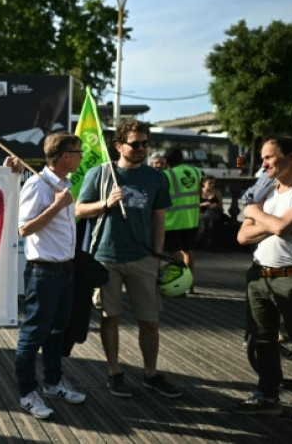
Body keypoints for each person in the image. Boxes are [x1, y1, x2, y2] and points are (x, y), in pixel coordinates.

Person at [75, 119, 181, 399]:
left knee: (150, 320)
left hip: (144, 258)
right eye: (135, 144)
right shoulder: (99, 174)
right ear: (119, 145)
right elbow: (79, 210)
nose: (142, 149)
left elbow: (159, 220)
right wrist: (105, 203)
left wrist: (157, 256)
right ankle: (114, 372)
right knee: (110, 318)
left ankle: (151, 373)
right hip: (105, 258)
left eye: (146, 144)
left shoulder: (156, 178)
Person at [233, 135, 292, 440]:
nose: (264, 164)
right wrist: (272, 222)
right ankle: (267, 396)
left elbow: (281, 228)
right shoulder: (268, 190)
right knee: (262, 339)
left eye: (270, 157)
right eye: (263, 157)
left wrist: (255, 213)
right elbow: (242, 237)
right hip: (260, 275)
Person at [15, 133, 87, 419]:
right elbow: (23, 229)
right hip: (44, 272)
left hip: (65, 270)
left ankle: (54, 383)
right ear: (66, 156)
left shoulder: (63, 183)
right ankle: (26, 393)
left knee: (58, 331)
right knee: (33, 334)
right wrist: (56, 206)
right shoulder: (37, 185)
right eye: (78, 152)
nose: (82, 156)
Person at [162, 148, 202, 294]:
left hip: (172, 221)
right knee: (188, 251)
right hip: (191, 219)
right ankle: (190, 282)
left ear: (166, 161)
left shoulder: (166, 175)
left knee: (174, 252)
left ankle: (180, 282)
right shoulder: (196, 171)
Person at [197, 176, 224, 247]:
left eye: (213, 183)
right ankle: (206, 240)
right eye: (210, 183)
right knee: (204, 217)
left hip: (213, 213)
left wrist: (215, 205)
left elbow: (221, 206)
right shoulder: (199, 192)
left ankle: (201, 238)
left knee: (207, 217)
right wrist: (202, 204)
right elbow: (193, 205)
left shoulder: (217, 192)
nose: (212, 185)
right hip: (200, 212)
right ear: (204, 183)